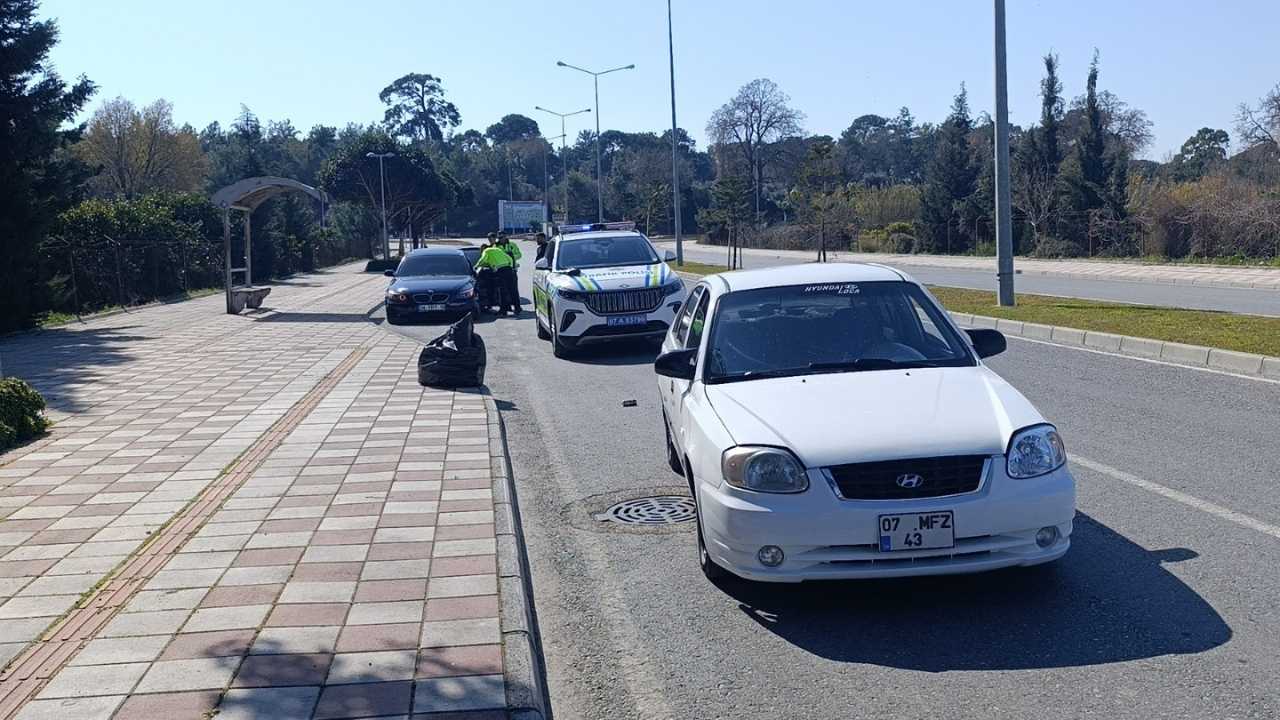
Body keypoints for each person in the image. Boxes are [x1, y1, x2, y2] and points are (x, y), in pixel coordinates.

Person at [474, 241, 515, 314]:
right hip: (508, 269)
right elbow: (510, 258)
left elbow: (482, 259)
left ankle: (503, 311)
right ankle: (512, 308)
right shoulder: (497, 250)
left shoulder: (486, 251)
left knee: (502, 292)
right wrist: (511, 267)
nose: (481, 252)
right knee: (508, 290)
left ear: (483, 249)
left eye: (481, 250)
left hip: (501, 271)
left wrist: (476, 266)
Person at [497, 233, 523, 313]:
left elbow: (519, 255)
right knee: (502, 291)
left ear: (506, 237)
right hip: (501, 270)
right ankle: (504, 308)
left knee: (513, 290)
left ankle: (517, 307)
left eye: (502, 237)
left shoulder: (512, 245)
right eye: (500, 237)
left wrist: (511, 256)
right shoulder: (496, 246)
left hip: (512, 270)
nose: (501, 239)